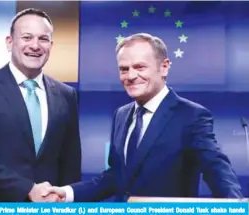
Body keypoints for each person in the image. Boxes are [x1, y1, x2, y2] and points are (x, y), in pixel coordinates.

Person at [46, 33, 243, 202]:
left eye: (140, 67)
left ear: (164, 67)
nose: (130, 76)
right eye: (124, 69)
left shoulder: (191, 116)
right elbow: (116, 177)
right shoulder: (121, 115)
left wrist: (236, 207)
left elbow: (216, 169)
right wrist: (66, 193)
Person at [0, 8, 82, 202]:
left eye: (43, 39)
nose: (35, 45)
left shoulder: (66, 94)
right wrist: (28, 189)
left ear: (51, 45)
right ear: (9, 42)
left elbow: (70, 161)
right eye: (27, 37)